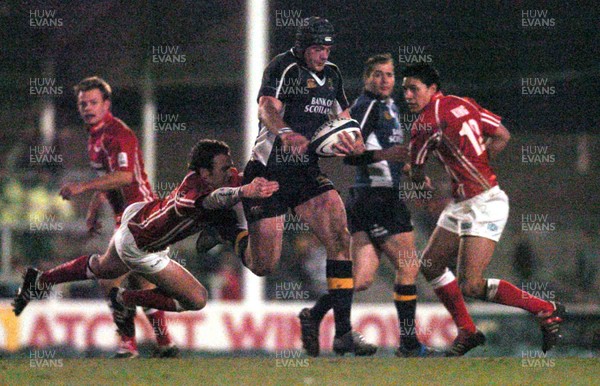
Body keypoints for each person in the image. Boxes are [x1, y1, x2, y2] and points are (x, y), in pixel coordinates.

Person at [13, 139, 278, 323]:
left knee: (104, 269)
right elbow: (213, 200)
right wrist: (244, 192)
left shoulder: (222, 179)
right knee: (196, 299)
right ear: (205, 174)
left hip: (138, 217)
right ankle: (123, 297)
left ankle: (38, 280)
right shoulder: (190, 194)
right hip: (141, 246)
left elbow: (236, 186)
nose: (231, 170)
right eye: (224, 167)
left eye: (231, 165)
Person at [403, 63, 565, 356]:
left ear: (432, 89)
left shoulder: (424, 124)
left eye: (414, 88)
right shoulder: (464, 102)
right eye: (405, 89)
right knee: (430, 264)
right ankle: (467, 331)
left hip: (485, 204)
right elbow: (502, 135)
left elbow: (415, 171)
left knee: (472, 285)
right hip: (465, 202)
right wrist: (478, 159)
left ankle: (545, 308)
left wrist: (417, 176)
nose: (408, 95)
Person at [239, 16, 376, 356]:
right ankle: (230, 232)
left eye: (326, 48)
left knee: (340, 236)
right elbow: (266, 108)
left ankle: (342, 332)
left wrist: (354, 141)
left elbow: (343, 117)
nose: (322, 55)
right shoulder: (283, 67)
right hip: (268, 172)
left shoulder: (332, 74)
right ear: (302, 48)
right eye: (317, 49)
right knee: (264, 265)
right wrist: (285, 132)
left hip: (305, 171)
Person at [299, 54, 435, 357]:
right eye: (377, 74)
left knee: (360, 279)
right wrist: (389, 155)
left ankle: (315, 314)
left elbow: (389, 154)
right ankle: (409, 344)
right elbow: (350, 154)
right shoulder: (367, 106)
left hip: (367, 198)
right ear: (366, 78)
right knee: (408, 266)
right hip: (379, 198)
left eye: (388, 74)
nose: (384, 80)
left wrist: (412, 174)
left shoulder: (390, 107)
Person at [55, 76, 175, 358]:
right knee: (139, 282)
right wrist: (94, 208)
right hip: (129, 216)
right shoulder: (94, 137)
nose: (87, 107)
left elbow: (123, 176)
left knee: (108, 277)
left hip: (140, 213)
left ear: (106, 104)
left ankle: (128, 345)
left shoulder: (117, 133)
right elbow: (108, 179)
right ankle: (165, 344)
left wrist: (82, 187)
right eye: (82, 103)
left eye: (93, 102)